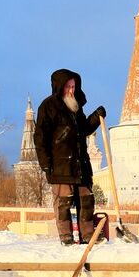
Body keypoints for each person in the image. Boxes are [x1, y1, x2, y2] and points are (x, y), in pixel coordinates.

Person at [35, 69, 107, 245]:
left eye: (74, 87)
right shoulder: (48, 106)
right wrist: (45, 163)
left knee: (86, 198)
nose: (71, 90)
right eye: (68, 86)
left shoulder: (75, 106)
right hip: (60, 164)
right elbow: (40, 136)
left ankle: (88, 234)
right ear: (59, 86)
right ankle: (66, 235)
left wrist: (96, 118)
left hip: (80, 162)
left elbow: (83, 129)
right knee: (63, 201)